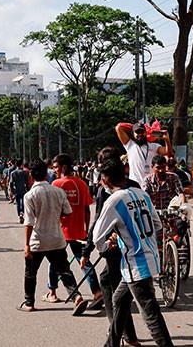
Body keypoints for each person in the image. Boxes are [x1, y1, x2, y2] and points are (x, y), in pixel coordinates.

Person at [92, 157, 173, 347]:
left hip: (136, 264)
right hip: (148, 257)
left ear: (105, 180)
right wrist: (127, 236)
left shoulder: (114, 201)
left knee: (151, 316)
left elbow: (97, 237)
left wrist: (107, 246)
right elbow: (157, 224)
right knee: (119, 299)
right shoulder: (140, 193)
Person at [81, 147, 141, 347]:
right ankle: (127, 335)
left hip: (116, 246)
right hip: (135, 246)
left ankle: (119, 334)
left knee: (114, 286)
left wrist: (87, 250)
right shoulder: (135, 186)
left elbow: (98, 223)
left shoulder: (106, 190)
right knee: (116, 285)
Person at [18, 159, 87, 315]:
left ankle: (29, 302)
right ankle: (77, 297)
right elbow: (68, 212)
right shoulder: (58, 192)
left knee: (30, 272)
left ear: (31, 175)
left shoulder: (30, 195)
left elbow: (29, 222)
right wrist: (56, 215)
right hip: (56, 238)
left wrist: (27, 245)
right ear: (46, 174)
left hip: (38, 240)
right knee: (64, 270)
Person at [45, 154, 103, 307]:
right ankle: (97, 292)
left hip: (60, 231)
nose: (54, 169)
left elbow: (53, 209)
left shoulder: (56, 184)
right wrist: (86, 227)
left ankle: (52, 292)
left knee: (55, 262)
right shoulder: (82, 184)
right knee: (84, 262)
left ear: (64, 167)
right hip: (79, 230)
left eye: (56, 167)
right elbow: (87, 209)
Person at [115, 121, 172, 189]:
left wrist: (167, 140)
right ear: (133, 134)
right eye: (137, 132)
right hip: (135, 185)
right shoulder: (130, 144)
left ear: (145, 133)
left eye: (142, 132)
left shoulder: (154, 146)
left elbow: (168, 153)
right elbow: (119, 127)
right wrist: (136, 127)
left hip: (151, 185)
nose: (140, 134)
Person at [10, 159, 29, 223]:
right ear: (21, 164)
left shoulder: (13, 173)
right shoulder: (24, 172)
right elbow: (27, 182)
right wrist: (28, 190)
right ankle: (22, 213)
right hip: (23, 190)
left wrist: (12, 190)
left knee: (18, 203)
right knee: (23, 203)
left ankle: (19, 215)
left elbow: (11, 182)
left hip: (16, 190)